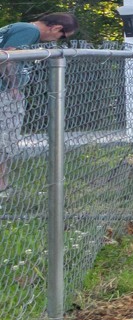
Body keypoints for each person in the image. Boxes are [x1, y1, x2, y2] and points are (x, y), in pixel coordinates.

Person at [1, 12, 77, 191]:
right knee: (5, 138)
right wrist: (13, 86)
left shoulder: (19, 27)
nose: (58, 41)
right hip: (3, 92)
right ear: (57, 28)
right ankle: (1, 185)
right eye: (62, 36)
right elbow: (8, 57)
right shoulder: (30, 31)